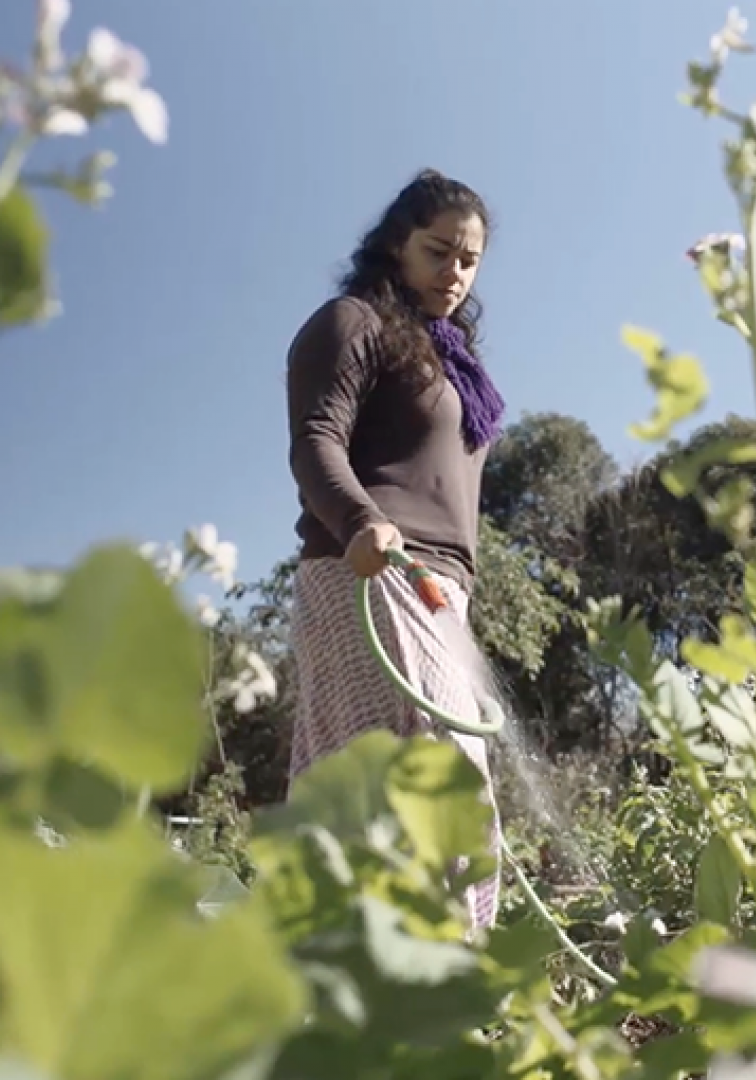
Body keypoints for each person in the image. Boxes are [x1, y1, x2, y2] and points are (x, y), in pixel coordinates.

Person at [283, 168, 506, 933]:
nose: (455, 273)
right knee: (398, 779)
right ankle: (372, 966)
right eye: (438, 252)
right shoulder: (353, 322)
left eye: (469, 260)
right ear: (395, 246)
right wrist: (360, 521)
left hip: (441, 590)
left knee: (443, 784)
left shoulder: (452, 359)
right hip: (370, 570)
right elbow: (316, 439)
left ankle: (441, 967)